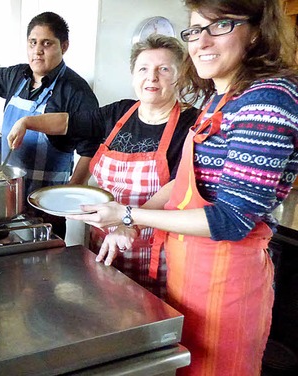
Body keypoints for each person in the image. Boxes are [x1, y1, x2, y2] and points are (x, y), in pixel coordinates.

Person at [68, 0, 298, 374]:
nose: (202, 41)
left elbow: (232, 220)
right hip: (187, 276)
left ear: (257, 31)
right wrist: (131, 224)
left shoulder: (267, 100)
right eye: (194, 30)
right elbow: (182, 184)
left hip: (228, 286)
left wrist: (128, 212)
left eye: (220, 25)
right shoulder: (220, 98)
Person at [8, 34, 199, 298]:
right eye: (143, 69)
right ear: (133, 75)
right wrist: (28, 122)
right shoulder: (119, 112)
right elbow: (68, 122)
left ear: (181, 76)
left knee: (146, 318)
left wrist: (130, 224)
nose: (152, 77)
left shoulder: (191, 124)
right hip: (104, 241)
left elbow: (177, 185)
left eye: (163, 69)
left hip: (157, 252)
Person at [0, 11, 99, 238]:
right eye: (33, 43)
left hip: (45, 204)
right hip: (4, 198)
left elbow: (91, 150)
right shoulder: (17, 75)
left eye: (47, 43)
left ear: (64, 46)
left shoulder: (76, 91)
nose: (37, 51)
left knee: (40, 265)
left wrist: (69, 192)